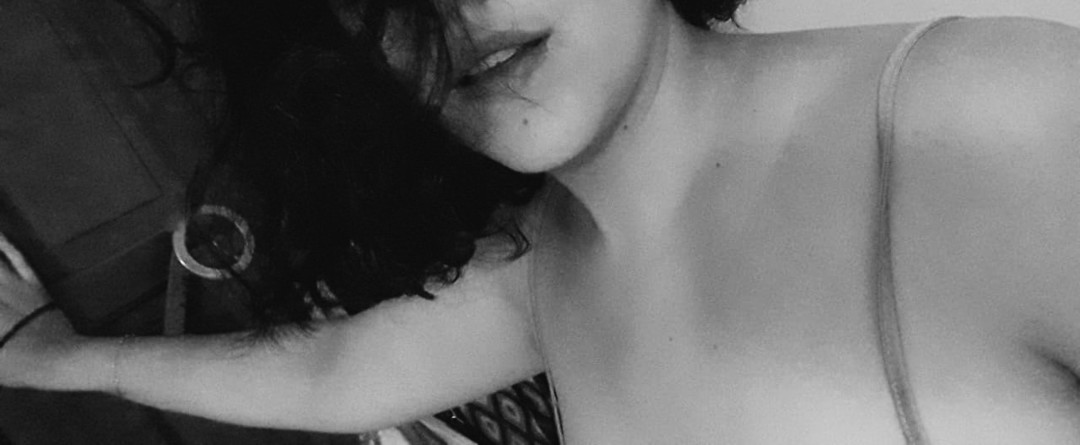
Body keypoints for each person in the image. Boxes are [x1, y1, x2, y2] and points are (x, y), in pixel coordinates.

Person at [3, 0, 1080, 443]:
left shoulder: (990, 115)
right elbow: (331, 375)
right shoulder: (544, 268)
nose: (448, 10)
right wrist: (49, 355)